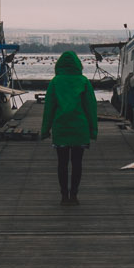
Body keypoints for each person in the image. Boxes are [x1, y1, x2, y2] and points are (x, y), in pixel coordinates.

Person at [40, 49, 98, 204]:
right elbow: (91, 108)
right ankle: (74, 195)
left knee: (62, 163)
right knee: (77, 163)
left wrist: (45, 130)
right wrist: (93, 130)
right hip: (80, 128)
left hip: (61, 128)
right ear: (77, 65)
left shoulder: (55, 82)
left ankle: (64, 196)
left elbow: (49, 108)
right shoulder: (84, 81)